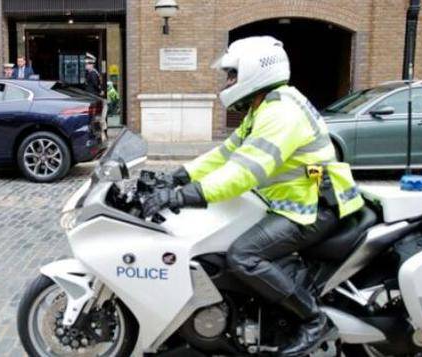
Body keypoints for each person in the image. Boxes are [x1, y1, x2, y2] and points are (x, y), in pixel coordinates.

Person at [142, 36, 364, 356]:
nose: (228, 81)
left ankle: (314, 320)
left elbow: (244, 172)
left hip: (310, 207)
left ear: (256, 71)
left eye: (232, 74)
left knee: (244, 256)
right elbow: (224, 154)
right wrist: (179, 175)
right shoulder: (265, 106)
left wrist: (183, 196)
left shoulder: (281, 113)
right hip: (291, 201)